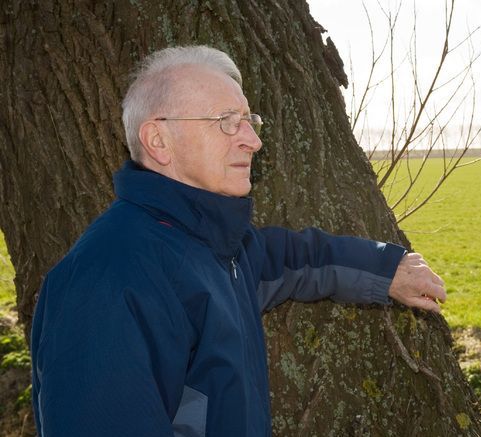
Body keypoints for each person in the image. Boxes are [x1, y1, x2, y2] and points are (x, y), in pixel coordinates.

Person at [30, 45, 446, 437]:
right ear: (158, 141)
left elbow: (292, 259)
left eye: (250, 121)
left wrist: (384, 268)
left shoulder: (216, 247)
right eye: (226, 121)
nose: (253, 139)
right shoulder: (109, 280)